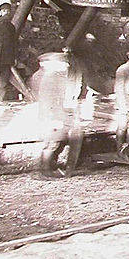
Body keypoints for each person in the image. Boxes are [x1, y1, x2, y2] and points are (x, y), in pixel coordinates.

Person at [36, 46, 88, 177]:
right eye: (63, 64)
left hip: (61, 113)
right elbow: (48, 101)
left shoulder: (58, 77)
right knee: (52, 143)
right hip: (53, 116)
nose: (66, 66)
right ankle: (45, 171)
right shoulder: (51, 78)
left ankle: (53, 167)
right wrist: (54, 119)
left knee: (57, 141)